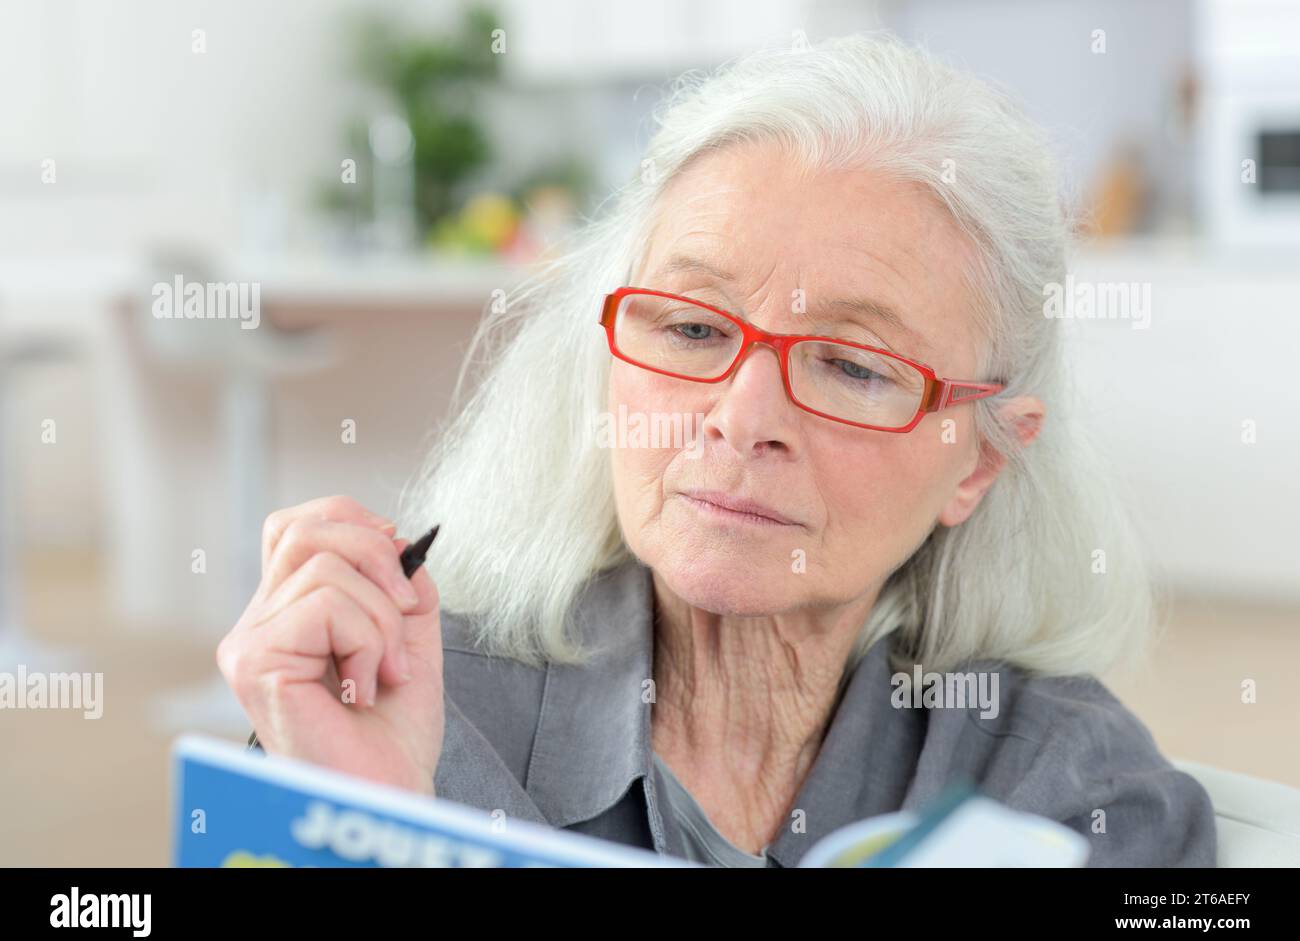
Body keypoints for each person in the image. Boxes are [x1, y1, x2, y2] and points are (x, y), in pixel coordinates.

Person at [217, 32, 1216, 867]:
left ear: (980, 461)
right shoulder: (398, 709)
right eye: (692, 329)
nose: (740, 418)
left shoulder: (1077, 798)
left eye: (852, 367)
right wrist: (374, 826)